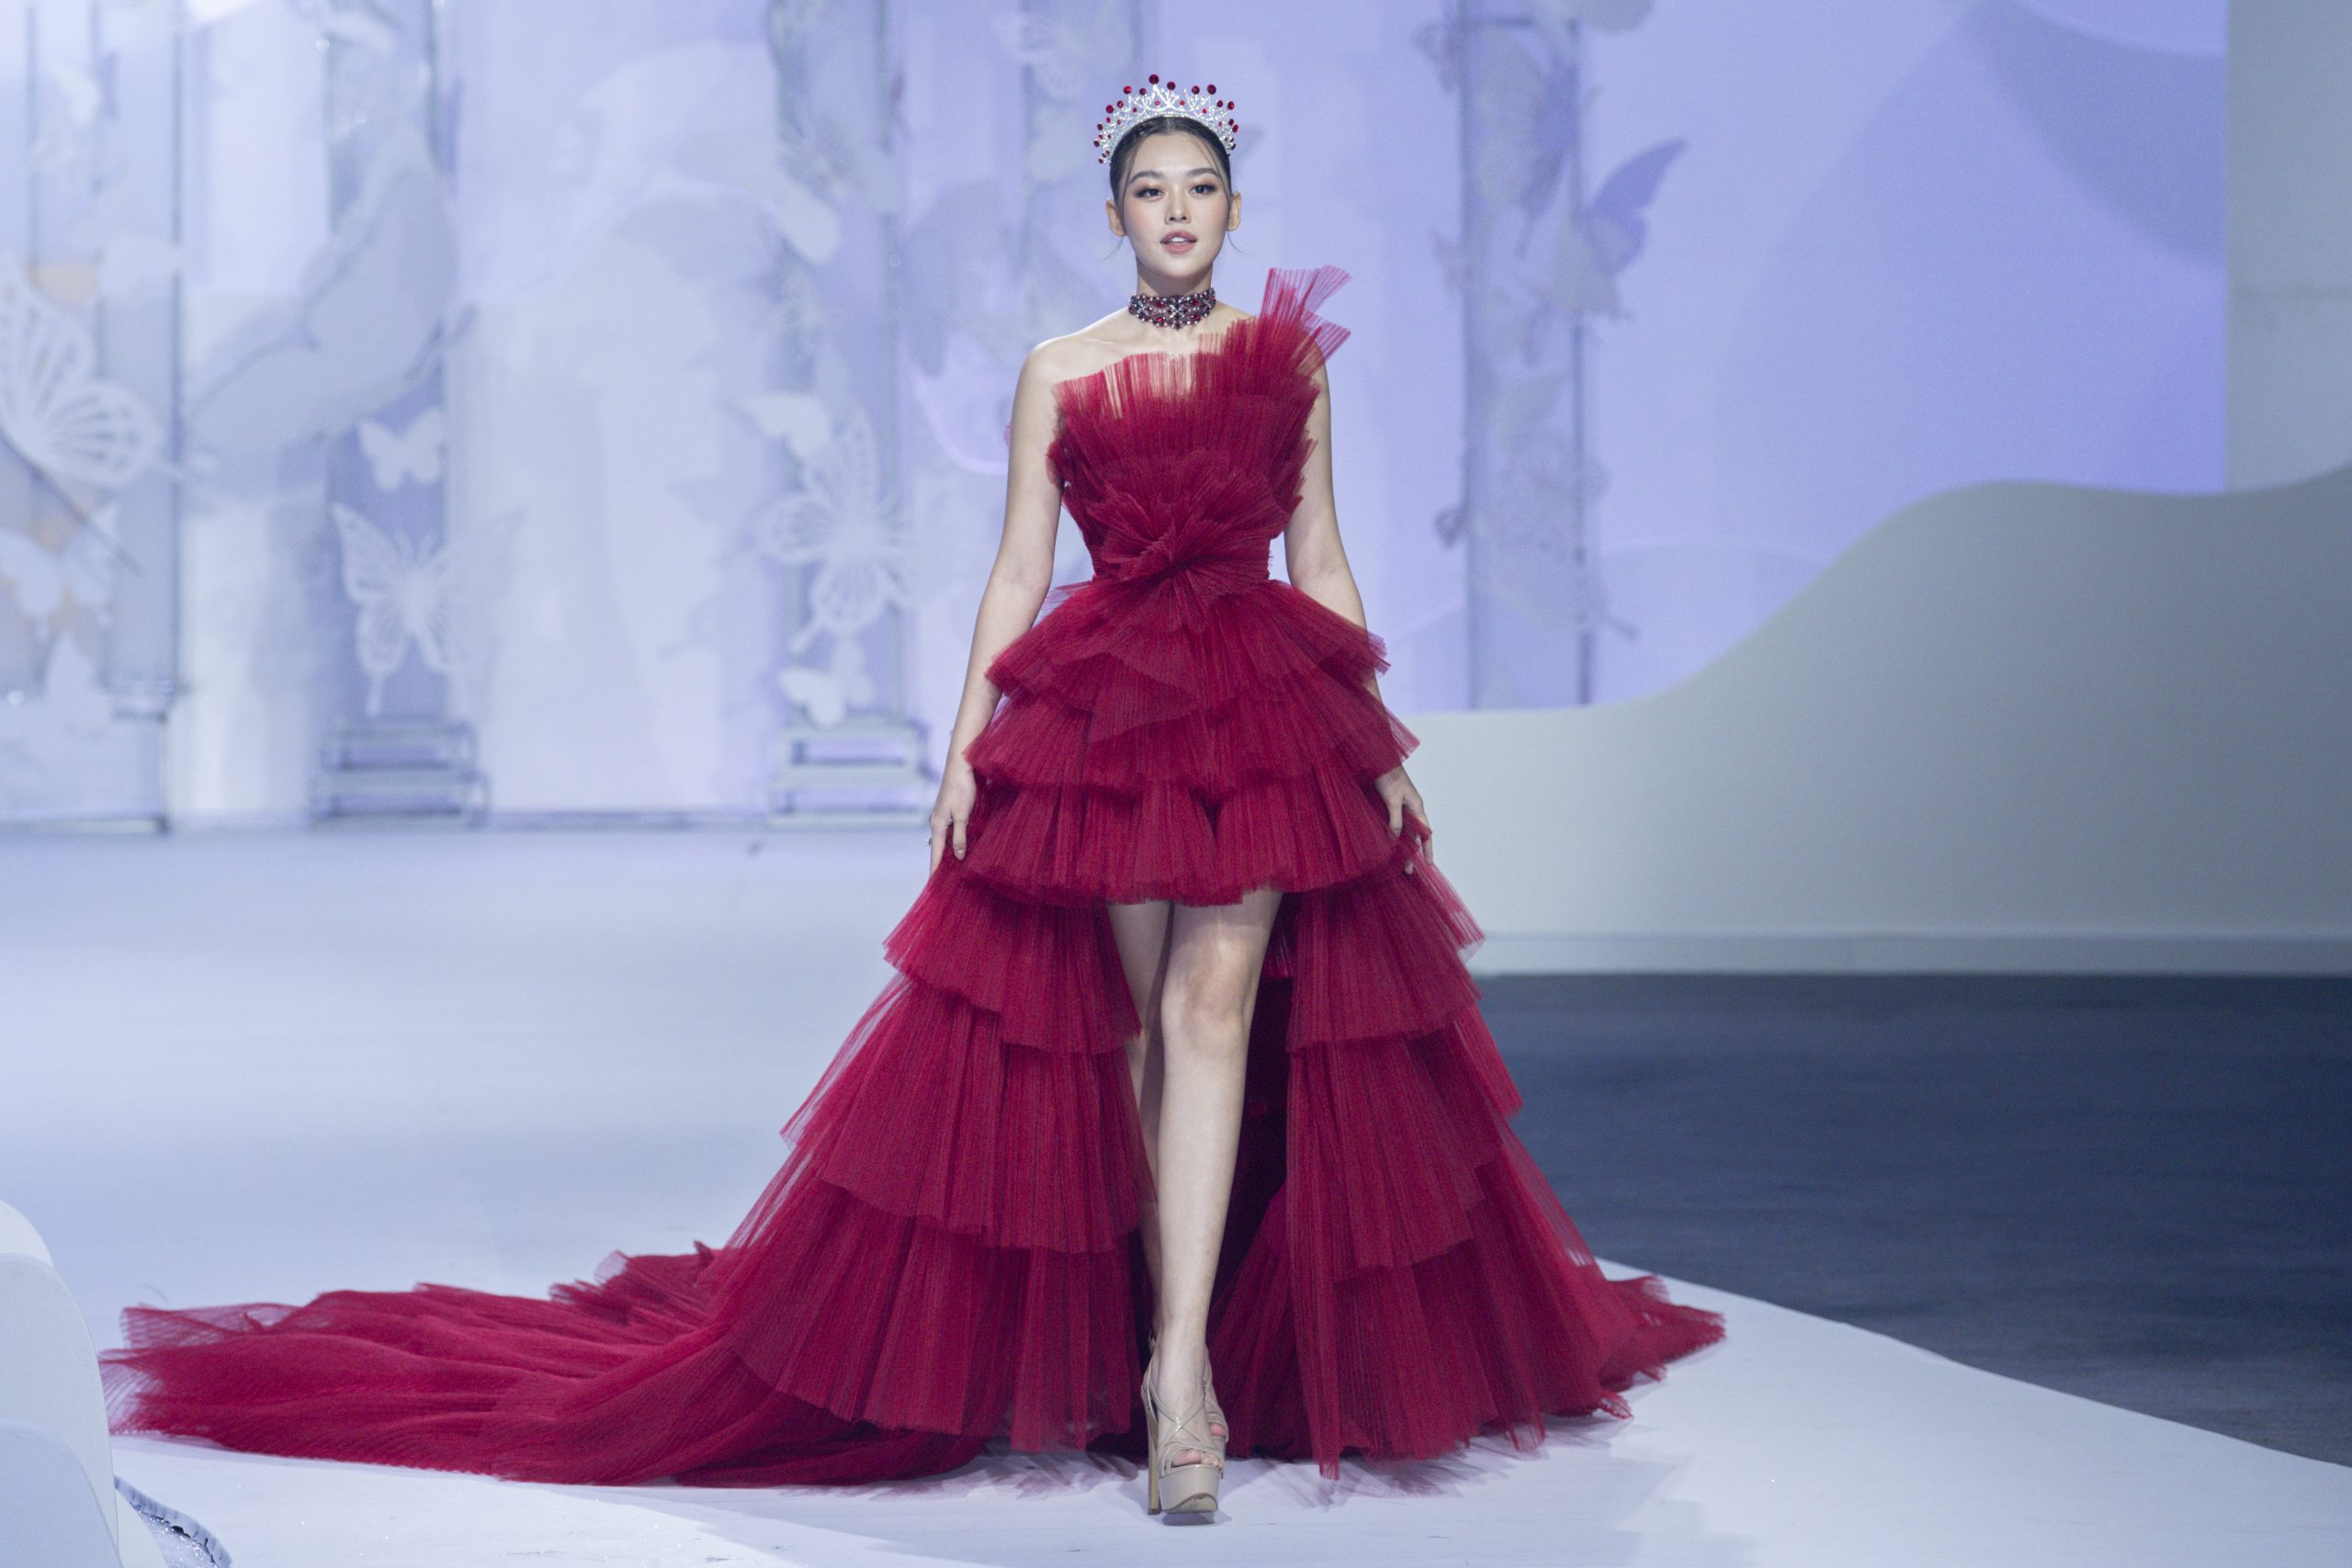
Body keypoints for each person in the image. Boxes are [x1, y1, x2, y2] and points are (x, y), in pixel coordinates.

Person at [101, 73, 1723, 1526]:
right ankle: (1142, 1336)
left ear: (1234, 209)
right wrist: (964, 750)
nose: (1175, 214)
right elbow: (1017, 569)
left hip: (1259, 709)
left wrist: (1369, 734)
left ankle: (1182, 1379)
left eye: (1199, 190)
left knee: (1220, 1008)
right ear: (1113, 215)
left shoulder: (1285, 361)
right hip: (1106, 717)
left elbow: (1324, 552)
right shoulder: (1060, 371)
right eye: (1148, 192)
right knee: (1135, 1030)